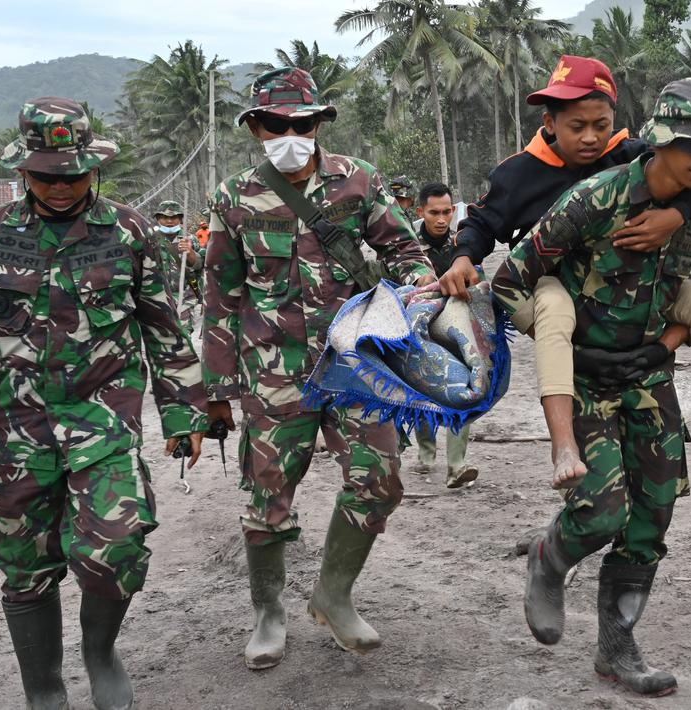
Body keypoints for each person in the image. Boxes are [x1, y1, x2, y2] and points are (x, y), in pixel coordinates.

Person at [0, 96, 209, 710]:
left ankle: (100, 655)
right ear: (22, 170)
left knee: (114, 548)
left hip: (104, 423)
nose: (61, 187)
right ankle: (44, 688)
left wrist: (184, 411)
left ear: (94, 169)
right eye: (45, 176)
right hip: (20, 430)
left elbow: (163, 328)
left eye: (73, 175)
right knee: (25, 562)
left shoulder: (129, 232)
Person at [491, 78, 691, 696]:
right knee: (601, 511)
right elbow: (510, 280)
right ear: (658, 140)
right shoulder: (594, 199)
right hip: (585, 382)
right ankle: (549, 558)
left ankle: (617, 652)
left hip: (648, 380)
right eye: (690, 143)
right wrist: (558, 334)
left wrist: (661, 349)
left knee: (649, 522)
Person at [439, 55, 691, 487]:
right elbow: (483, 221)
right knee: (555, 312)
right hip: (552, 282)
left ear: (613, 121)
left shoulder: (632, 155)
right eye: (576, 127)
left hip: (623, 285)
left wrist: (676, 214)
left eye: (600, 125)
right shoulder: (519, 172)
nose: (589, 137)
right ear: (549, 123)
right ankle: (563, 445)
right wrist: (463, 257)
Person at [202, 67, 435, 670]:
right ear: (255, 128)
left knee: (381, 476)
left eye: (300, 123)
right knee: (268, 497)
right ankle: (268, 611)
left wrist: (419, 289)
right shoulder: (233, 198)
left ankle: (333, 595)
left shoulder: (357, 180)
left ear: (317, 124)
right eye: (275, 125)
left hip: (354, 365)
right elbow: (222, 296)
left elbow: (404, 251)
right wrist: (220, 389)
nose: (289, 134)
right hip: (272, 373)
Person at [410, 182, 480, 488]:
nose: (441, 219)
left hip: (455, 330)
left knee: (460, 391)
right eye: (434, 212)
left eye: (447, 212)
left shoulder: (461, 246)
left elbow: (478, 282)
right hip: (419, 330)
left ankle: (456, 466)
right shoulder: (407, 248)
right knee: (423, 393)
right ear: (420, 211)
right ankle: (426, 453)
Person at [152, 200, 202, 323]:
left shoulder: (190, 239)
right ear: (158, 218)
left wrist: (190, 252)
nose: (169, 221)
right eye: (164, 217)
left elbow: (199, 265)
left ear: (180, 219)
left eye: (174, 217)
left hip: (184, 296)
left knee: (184, 333)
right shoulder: (150, 239)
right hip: (158, 296)